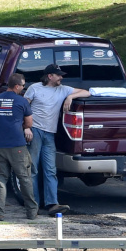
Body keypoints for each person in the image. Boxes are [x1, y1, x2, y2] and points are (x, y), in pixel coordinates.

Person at [24, 63, 90, 215]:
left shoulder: (63, 89)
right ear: (50, 76)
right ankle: (33, 204)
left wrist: (71, 96)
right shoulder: (35, 88)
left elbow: (87, 92)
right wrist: (26, 127)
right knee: (33, 168)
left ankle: (52, 203)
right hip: (35, 131)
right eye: (58, 75)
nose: (61, 77)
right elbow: (24, 108)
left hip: (50, 134)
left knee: (50, 169)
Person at [0, 73, 38, 221]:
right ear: (16, 86)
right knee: (24, 178)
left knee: (0, 179)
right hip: (17, 145)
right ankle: (31, 211)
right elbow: (29, 123)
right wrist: (22, 126)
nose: (23, 88)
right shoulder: (22, 101)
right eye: (22, 86)